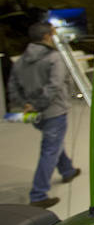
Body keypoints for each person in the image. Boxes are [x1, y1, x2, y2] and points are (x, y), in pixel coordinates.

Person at [7, 21, 81, 208]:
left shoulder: (22, 59)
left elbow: (13, 86)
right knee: (50, 150)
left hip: (35, 114)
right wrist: (38, 105)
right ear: (47, 36)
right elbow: (55, 86)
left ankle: (67, 170)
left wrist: (26, 104)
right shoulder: (54, 57)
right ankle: (38, 195)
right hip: (53, 111)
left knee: (53, 144)